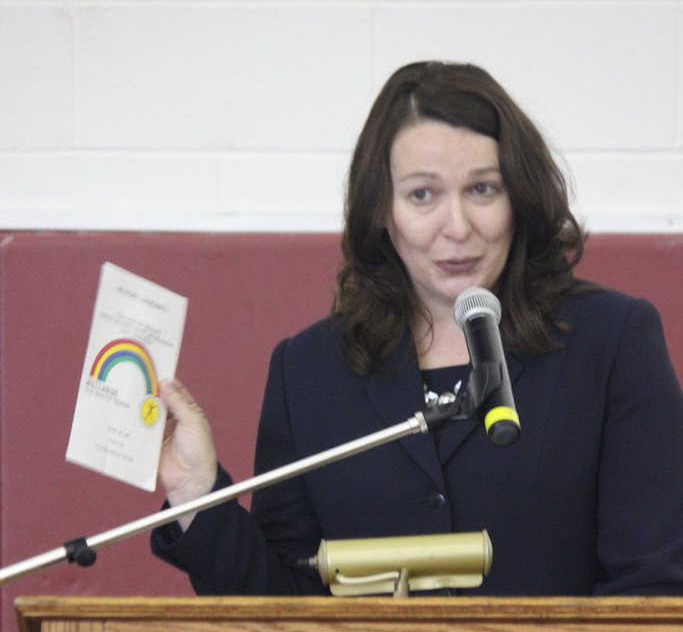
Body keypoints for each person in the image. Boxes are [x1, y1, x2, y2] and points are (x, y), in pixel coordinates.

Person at [151, 61, 683, 596]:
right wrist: (197, 492)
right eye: (422, 195)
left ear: (517, 198)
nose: (457, 227)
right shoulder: (310, 370)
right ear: (382, 209)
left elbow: (655, 587)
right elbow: (285, 609)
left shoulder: (611, 342)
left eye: (482, 189)